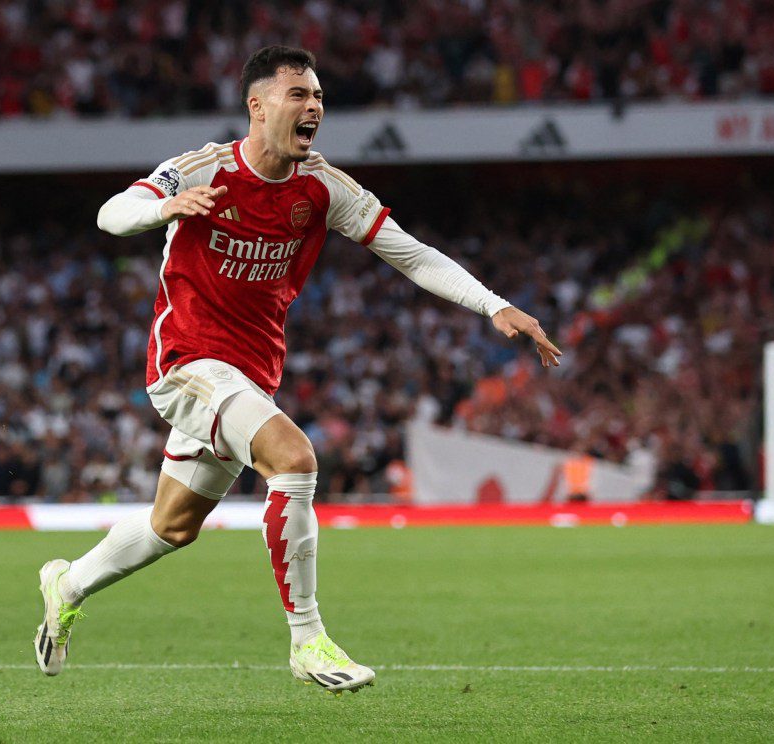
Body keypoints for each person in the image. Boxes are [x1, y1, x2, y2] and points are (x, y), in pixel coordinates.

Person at [34, 45, 562, 693]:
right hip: (186, 364)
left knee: (173, 525)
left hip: (249, 377)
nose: (312, 107)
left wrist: (494, 304)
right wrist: (164, 208)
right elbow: (110, 213)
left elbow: (413, 256)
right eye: (298, 95)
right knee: (295, 458)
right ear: (258, 107)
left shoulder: (323, 187)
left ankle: (68, 582)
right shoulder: (202, 168)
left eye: (318, 97)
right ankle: (309, 640)